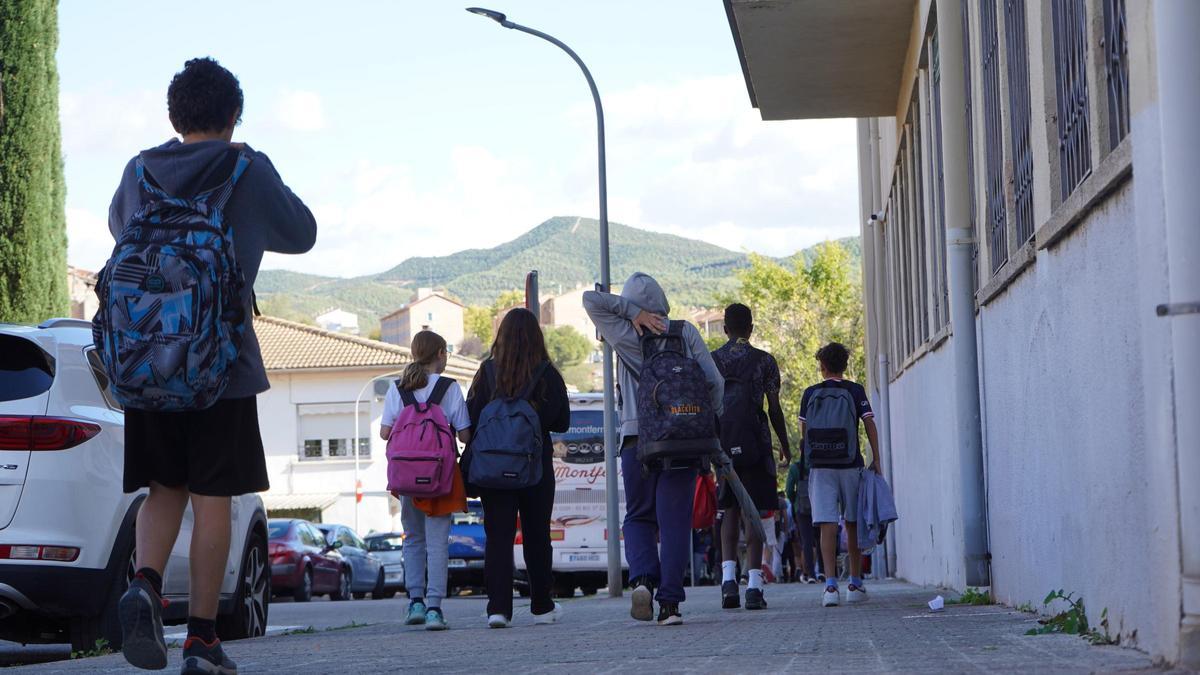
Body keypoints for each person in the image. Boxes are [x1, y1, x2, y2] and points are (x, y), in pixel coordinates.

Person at [108, 58, 316, 673]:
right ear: (233, 116)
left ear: (175, 116)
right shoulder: (245, 167)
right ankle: (201, 638)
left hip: (147, 359)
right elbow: (301, 232)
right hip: (221, 364)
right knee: (214, 500)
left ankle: (145, 584)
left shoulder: (139, 170)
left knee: (162, 489)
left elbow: (123, 231)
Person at [584, 274, 724, 626]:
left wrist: (630, 313)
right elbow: (714, 381)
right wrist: (707, 422)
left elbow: (590, 299)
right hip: (684, 439)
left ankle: (644, 579)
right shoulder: (685, 331)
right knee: (675, 522)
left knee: (639, 515)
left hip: (637, 440)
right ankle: (671, 605)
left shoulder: (625, 333)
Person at [465, 309, 570, 628]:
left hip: (493, 469)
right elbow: (563, 422)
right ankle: (541, 605)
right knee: (537, 534)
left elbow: (470, 419)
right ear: (537, 336)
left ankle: (498, 609)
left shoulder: (487, 372)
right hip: (534, 465)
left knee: (497, 537)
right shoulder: (547, 373)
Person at [380, 331, 472, 631]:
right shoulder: (449, 388)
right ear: (441, 354)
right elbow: (464, 435)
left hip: (407, 479)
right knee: (437, 543)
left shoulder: (399, 388)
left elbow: (384, 432)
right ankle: (434, 608)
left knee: (413, 539)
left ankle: (415, 603)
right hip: (440, 477)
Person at [710, 303, 791, 611]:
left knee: (729, 510)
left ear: (725, 329)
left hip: (724, 445)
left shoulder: (713, 360)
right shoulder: (765, 361)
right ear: (752, 328)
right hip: (756, 444)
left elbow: (709, 407)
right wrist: (784, 443)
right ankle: (755, 587)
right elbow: (774, 408)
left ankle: (728, 582)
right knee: (754, 512)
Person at [799, 342, 881, 607]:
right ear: (844, 366)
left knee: (827, 525)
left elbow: (804, 434)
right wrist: (876, 459)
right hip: (850, 464)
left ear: (822, 367)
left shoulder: (810, 393)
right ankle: (855, 583)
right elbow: (869, 422)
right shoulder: (854, 390)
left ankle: (830, 587)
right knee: (853, 522)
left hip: (821, 467)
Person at [785, 456, 819, 584]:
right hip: (818, 506)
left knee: (806, 541)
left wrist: (794, 502)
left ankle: (810, 573)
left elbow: (789, 489)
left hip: (802, 508)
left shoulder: (795, 468)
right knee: (820, 539)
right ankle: (824, 571)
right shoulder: (816, 465)